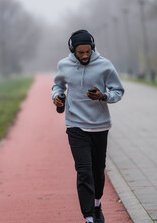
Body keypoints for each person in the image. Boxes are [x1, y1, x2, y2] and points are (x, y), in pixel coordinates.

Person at [51, 29, 124, 223]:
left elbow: (118, 90)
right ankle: (89, 217)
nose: (84, 56)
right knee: (84, 171)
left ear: (92, 48)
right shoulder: (64, 65)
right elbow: (57, 86)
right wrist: (56, 98)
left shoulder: (105, 66)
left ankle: (97, 204)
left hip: (99, 125)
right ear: (72, 50)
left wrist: (103, 96)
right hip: (75, 125)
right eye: (80, 52)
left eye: (87, 51)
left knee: (98, 171)